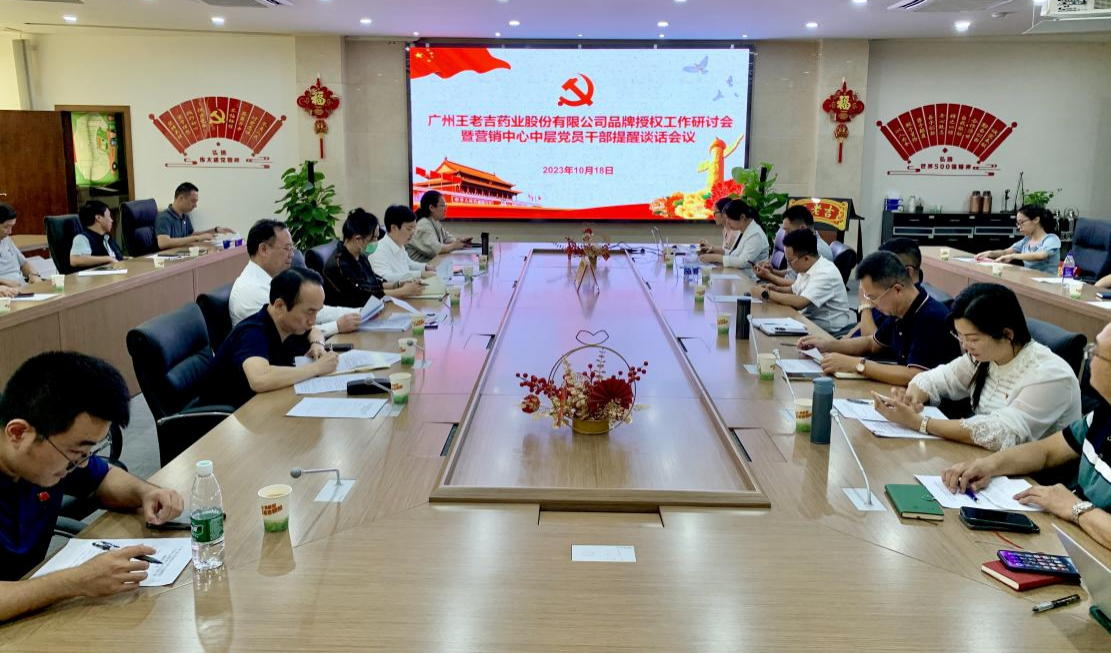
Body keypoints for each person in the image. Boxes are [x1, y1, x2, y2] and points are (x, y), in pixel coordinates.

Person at [0, 352, 184, 621]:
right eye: (77, 453)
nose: (82, 464)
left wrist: (146, 492)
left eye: (88, 452)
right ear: (18, 433)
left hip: (27, 615)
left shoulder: (48, 452)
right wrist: (75, 581)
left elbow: (102, 478)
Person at [943, 323, 1111, 550]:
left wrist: (1075, 508)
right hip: (1072, 535)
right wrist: (989, 465)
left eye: (1096, 351)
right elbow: (1046, 451)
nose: (1089, 359)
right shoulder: (1102, 414)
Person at [872, 283, 1081, 450]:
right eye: (960, 336)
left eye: (972, 339)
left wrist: (920, 422)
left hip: (1036, 479)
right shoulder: (984, 356)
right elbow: (936, 378)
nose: (964, 346)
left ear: (1007, 334)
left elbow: (1001, 432)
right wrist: (912, 398)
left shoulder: (1050, 375)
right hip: (983, 459)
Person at [796, 251, 959, 385]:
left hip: (936, 407)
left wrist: (856, 365)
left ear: (897, 290)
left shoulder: (930, 318)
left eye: (873, 297)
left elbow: (914, 375)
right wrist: (828, 345)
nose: (871, 304)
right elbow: (872, 343)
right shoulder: (899, 311)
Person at [200, 267, 339, 410]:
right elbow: (260, 378)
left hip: (262, 405)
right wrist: (317, 368)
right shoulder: (253, 332)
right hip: (225, 417)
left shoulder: (288, 324)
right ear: (280, 306)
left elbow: (313, 331)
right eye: (309, 312)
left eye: (317, 312)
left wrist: (317, 345)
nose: (313, 320)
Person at [229, 219, 359, 338]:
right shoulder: (251, 290)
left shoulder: (277, 278)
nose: (292, 254)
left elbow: (312, 310)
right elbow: (289, 332)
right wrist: (337, 326)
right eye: (287, 248)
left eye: (292, 248)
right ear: (263, 249)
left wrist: (358, 313)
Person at [760, 228, 856, 336]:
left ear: (806, 258)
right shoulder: (807, 267)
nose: (788, 264)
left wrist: (767, 294)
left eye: (790, 261)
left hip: (828, 333)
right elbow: (794, 289)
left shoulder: (825, 273)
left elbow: (800, 302)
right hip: (807, 322)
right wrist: (776, 289)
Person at [323, 209, 423, 307]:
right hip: (352, 311)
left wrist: (399, 284)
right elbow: (363, 295)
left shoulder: (359, 255)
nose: (376, 241)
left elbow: (374, 282)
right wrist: (401, 291)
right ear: (358, 239)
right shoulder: (340, 264)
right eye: (374, 238)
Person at [753, 205, 834, 286]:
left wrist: (768, 276)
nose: (785, 235)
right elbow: (791, 273)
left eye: (788, 231)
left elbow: (799, 286)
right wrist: (772, 272)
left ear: (802, 228)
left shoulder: (817, 250)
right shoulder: (800, 244)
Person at [975, 205, 1061, 275]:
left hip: (1046, 284)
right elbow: (1006, 252)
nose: (1019, 227)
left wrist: (1013, 256)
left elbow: (1041, 255)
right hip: (1028, 281)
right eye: (1018, 224)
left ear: (1036, 220)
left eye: (1022, 222)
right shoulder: (1026, 240)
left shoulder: (1051, 239)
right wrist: (990, 253)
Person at [698, 199, 769, 278]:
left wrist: (716, 258)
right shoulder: (744, 230)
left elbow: (743, 262)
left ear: (742, 217)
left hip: (752, 279)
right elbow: (735, 254)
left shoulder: (755, 235)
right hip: (741, 275)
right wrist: (714, 251)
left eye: (729, 219)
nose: (727, 223)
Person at [368, 205, 439, 284]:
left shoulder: (399, 244)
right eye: (409, 229)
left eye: (414, 228)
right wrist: (420, 274)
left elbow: (409, 264)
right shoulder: (379, 250)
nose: (413, 233)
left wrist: (425, 267)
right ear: (394, 228)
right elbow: (385, 278)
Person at [154, 183, 232, 250]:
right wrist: (197, 238)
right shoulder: (164, 217)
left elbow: (191, 235)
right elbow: (163, 243)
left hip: (183, 253)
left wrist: (215, 230)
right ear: (181, 198)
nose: (195, 206)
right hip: (168, 258)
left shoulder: (184, 216)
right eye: (193, 201)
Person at [406, 191, 470, 263]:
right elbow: (435, 249)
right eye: (443, 206)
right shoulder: (423, 224)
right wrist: (454, 245)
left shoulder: (435, 222)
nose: (445, 209)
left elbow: (446, 238)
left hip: (431, 265)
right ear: (431, 208)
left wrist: (460, 242)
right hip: (420, 267)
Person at [0, 202, 44, 296]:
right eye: (6, 227)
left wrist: (33, 275)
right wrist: (3, 281)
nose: (10, 232)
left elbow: (23, 263)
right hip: (5, 294)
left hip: (22, 289)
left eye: (12, 226)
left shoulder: (6, 240)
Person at [70, 201, 124, 270]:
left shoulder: (106, 238)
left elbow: (116, 257)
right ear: (98, 218)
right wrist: (108, 259)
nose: (111, 220)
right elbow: (75, 260)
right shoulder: (82, 238)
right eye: (109, 216)